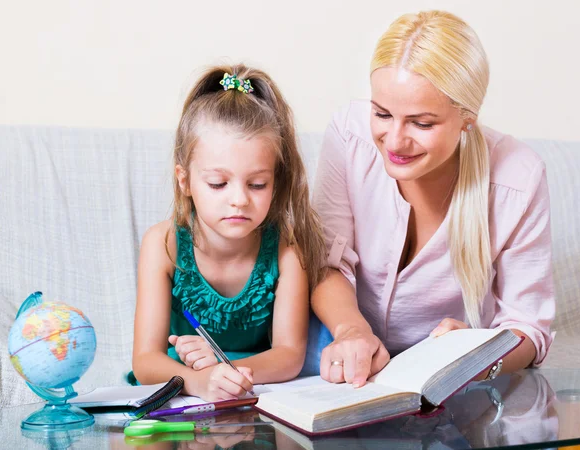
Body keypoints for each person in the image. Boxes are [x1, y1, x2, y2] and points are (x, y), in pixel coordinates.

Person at [311, 10, 555, 388]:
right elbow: (325, 261)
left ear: (467, 117)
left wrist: (479, 354)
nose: (394, 141)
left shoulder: (519, 179)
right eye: (382, 113)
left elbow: (528, 327)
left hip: (450, 391)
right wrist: (352, 331)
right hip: (345, 364)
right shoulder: (349, 136)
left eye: (422, 123)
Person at [132, 64, 327, 401]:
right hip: (178, 397)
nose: (239, 200)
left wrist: (228, 373)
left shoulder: (286, 250)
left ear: (275, 182)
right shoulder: (162, 246)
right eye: (218, 183)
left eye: (257, 184)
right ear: (185, 180)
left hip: (253, 397)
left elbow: (289, 356)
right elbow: (146, 362)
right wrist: (199, 380)